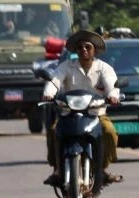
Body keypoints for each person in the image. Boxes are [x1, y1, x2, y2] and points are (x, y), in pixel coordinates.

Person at [41, 30, 123, 186]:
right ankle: (57, 169)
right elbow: (54, 81)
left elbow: (112, 85)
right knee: (53, 130)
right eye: (80, 47)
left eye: (88, 47)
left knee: (109, 131)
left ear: (95, 50)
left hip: (95, 114)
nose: (84, 50)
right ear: (76, 50)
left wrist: (113, 95)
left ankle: (103, 168)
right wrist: (48, 93)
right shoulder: (66, 66)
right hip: (68, 114)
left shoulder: (104, 68)